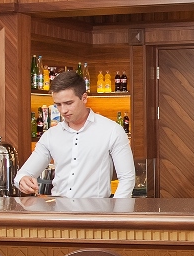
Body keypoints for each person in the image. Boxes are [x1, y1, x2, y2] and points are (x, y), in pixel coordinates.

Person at [15, 70, 135, 198]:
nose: (63, 110)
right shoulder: (51, 135)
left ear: (84, 98)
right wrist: (23, 180)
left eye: (68, 103)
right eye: (58, 105)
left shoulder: (112, 130)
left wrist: (116, 210)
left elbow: (127, 178)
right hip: (58, 208)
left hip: (96, 208)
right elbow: (23, 174)